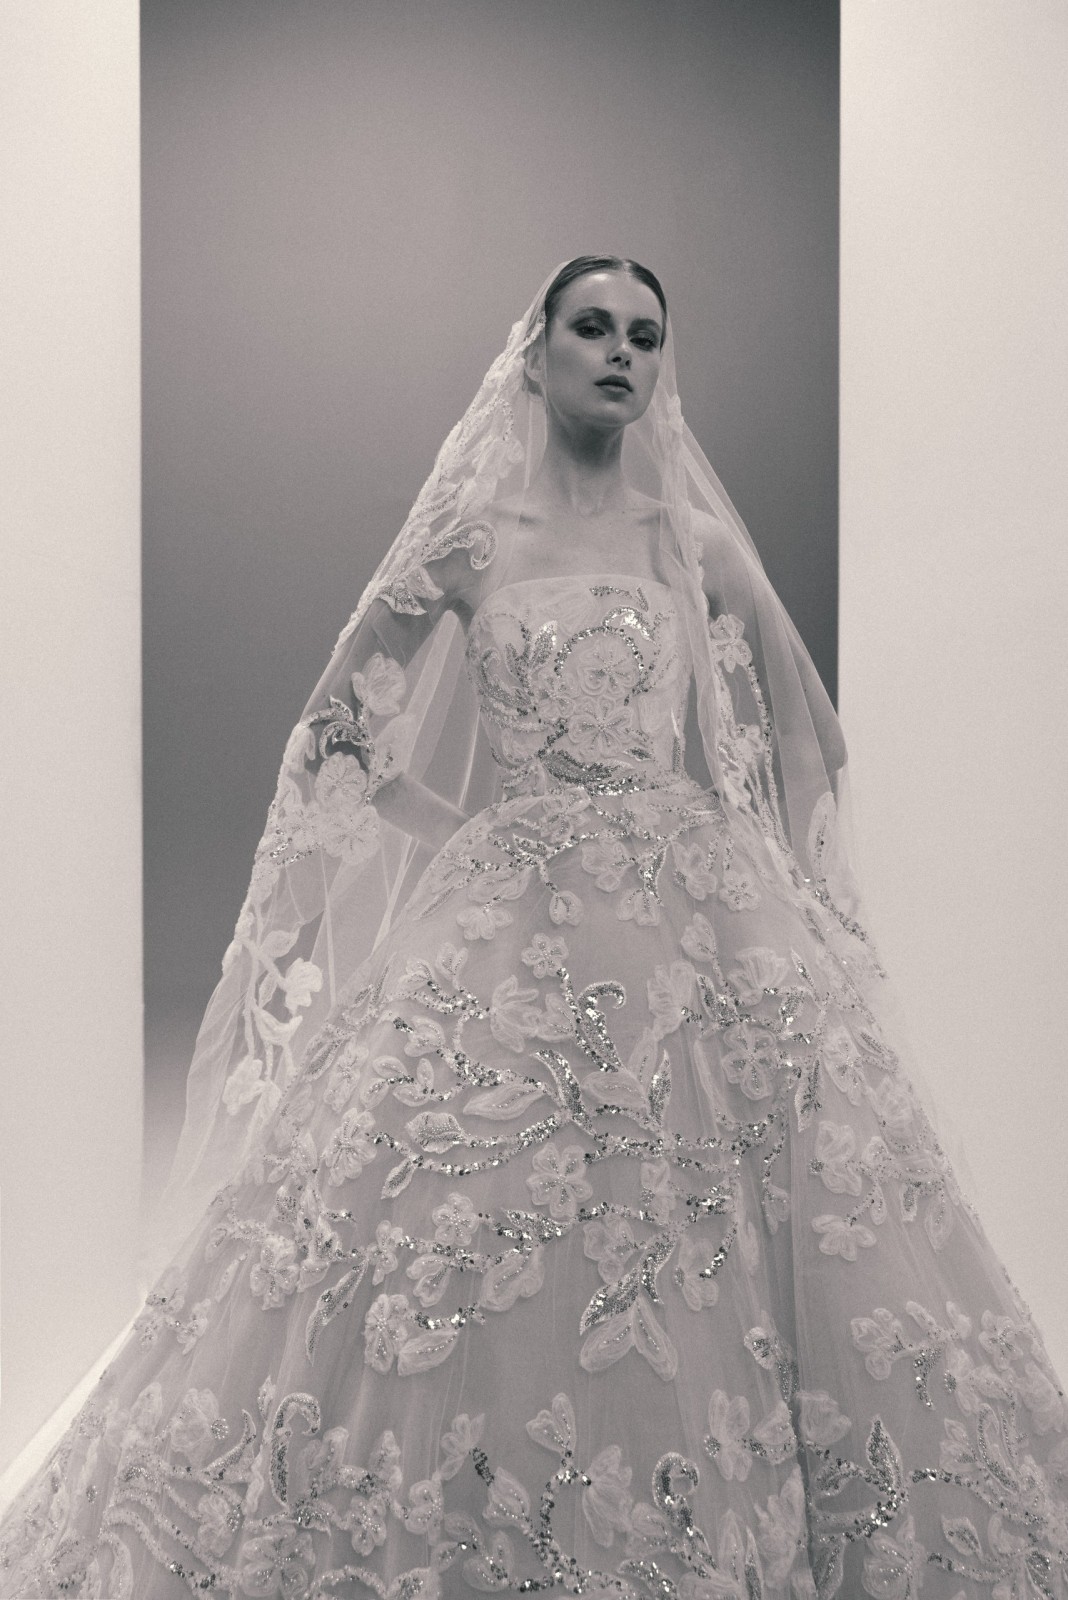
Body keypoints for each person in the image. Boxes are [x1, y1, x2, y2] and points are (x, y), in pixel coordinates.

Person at [1, 256, 1065, 1598]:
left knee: (726, 1215)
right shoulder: (472, 541)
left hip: (687, 922)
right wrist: (465, 834)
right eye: (594, 328)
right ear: (536, 353)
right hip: (509, 916)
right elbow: (336, 729)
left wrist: (771, 871)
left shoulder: (691, 545)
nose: (621, 354)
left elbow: (814, 735)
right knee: (450, 1211)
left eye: (645, 337)